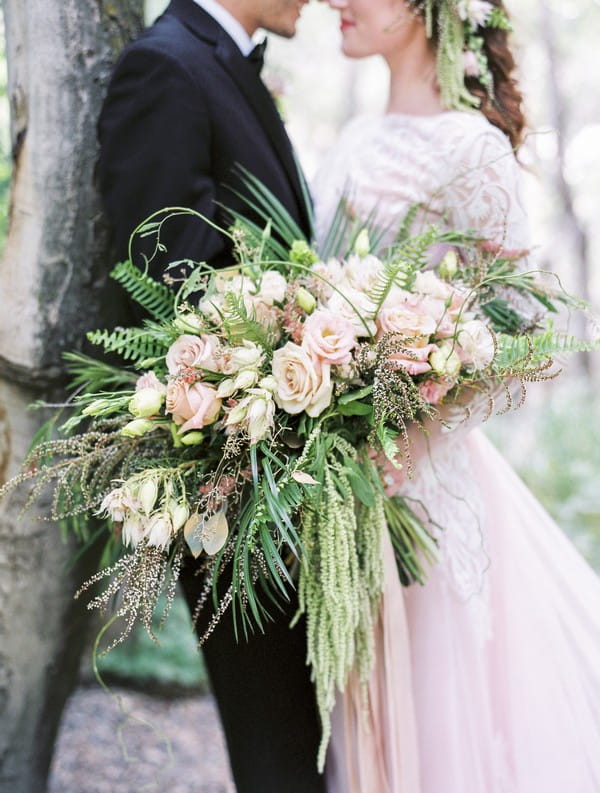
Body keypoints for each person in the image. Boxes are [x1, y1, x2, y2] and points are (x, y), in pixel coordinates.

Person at [313, 1, 600, 791]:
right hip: (341, 493)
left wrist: (407, 437)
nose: (336, 1)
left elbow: (527, 337)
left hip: (421, 497)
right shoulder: (355, 136)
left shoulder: (470, 148)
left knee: (437, 735)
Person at [97, 3, 326, 792]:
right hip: (232, 484)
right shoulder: (164, 68)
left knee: (309, 741)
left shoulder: (217, 62)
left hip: (289, 477)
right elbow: (169, 291)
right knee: (281, 748)